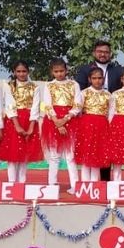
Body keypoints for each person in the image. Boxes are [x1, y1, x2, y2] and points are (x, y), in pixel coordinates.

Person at [75, 40, 124, 181]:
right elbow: (78, 92)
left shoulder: (118, 70)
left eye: (106, 52)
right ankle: (87, 185)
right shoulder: (84, 69)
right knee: (89, 152)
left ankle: (104, 182)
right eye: (100, 51)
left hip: (109, 114)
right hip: (89, 118)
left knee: (104, 151)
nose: (103, 54)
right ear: (94, 53)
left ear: (110, 54)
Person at [0, 60, 43, 183]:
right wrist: (17, 125)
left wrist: (31, 126)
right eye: (18, 71)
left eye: (24, 71)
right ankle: (12, 183)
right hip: (13, 121)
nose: (21, 74)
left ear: (28, 71)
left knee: (24, 155)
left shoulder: (35, 87)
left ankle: (22, 183)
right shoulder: (9, 85)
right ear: (14, 72)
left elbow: (35, 106)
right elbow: (10, 105)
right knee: (12, 155)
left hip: (29, 120)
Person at [40, 58, 81, 194]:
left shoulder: (74, 84)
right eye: (56, 71)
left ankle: (75, 185)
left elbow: (77, 104)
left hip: (70, 121)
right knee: (54, 155)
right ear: (52, 72)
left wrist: (65, 119)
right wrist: (57, 122)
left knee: (70, 155)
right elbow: (47, 105)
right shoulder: (49, 85)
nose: (59, 74)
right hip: (53, 121)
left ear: (66, 70)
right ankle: (52, 185)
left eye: (61, 71)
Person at [75, 67, 112, 182]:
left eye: (100, 78)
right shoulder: (84, 93)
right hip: (87, 126)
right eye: (94, 78)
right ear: (89, 79)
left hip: (102, 127)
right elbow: (78, 110)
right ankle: (85, 184)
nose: (97, 81)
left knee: (97, 154)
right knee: (86, 154)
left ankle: (95, 184)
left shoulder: (108, 95)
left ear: (103, 79)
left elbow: (111, 113)